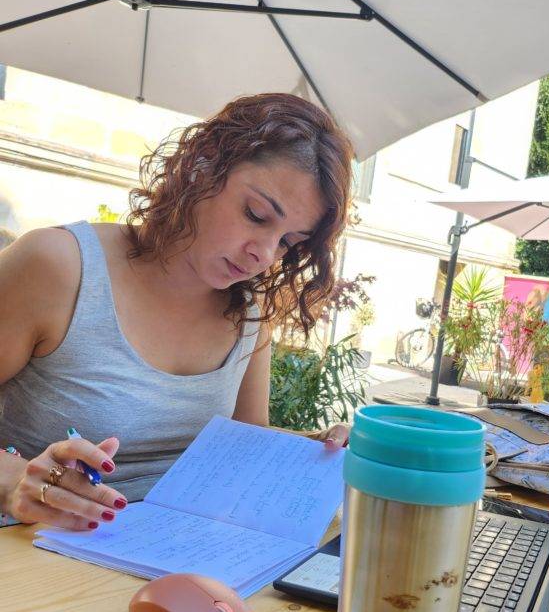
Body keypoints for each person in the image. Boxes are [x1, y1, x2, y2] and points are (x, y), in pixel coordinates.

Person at [0, 93, 354, 530]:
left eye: (288, 242)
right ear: (202, 167)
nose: (264, 254)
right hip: (36, 555)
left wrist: (320, 450)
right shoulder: (57, 265)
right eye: (256, 214)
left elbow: (247, 444)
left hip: (177, 558)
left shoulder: (247, 311)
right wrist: (15, 479)